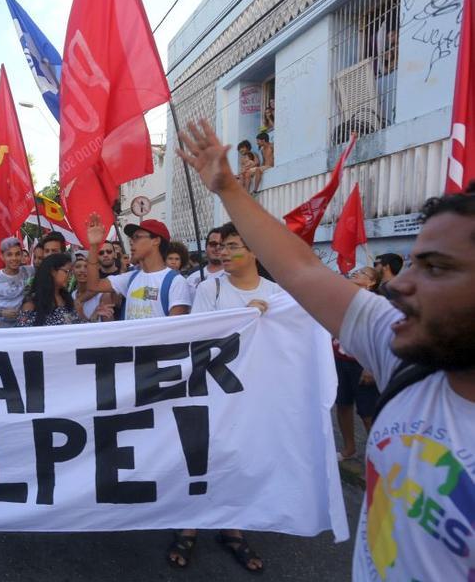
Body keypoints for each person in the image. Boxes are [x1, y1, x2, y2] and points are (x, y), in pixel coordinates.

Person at [176, 119, 475, 581]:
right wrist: (229, 189)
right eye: (412, 261)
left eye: (436, 268)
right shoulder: (403, 351)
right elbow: (302, 269)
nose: (402, 285)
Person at [170, 221, 281, 572]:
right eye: (223, 246)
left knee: (240, 459)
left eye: (235, 246)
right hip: (215, 389)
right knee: (202, 457)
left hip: (258, 393)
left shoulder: (279, 295)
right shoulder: (210, 289)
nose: (225, 252)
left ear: (254, 252)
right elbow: (201, 336)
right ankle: (189, 525)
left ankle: (233, 528)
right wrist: (247, 318)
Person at [85, 218, 192, 319]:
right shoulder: (131, 277)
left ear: (156, 241)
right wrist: (94, 246)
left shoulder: (176, 282)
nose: (131, 242)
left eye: (137, 237)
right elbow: (93, 285)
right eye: (131, 238)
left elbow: (175, 331)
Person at [334, 266, 382, 460]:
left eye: (363, 273)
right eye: (356, 271)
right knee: (343, 404)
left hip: (362, 364)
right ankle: (349, 448)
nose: (356, 273)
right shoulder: (343, 298)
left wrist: (370, 366)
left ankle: (379, 454)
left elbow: (378, 336)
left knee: (367, 411)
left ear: (372, 283)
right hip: (340, 359)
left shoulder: (376, 304)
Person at [16, 253, 84, 326]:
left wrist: (82, 313)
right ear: (53, 272)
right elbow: (24, 334)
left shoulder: (68, 299)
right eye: (67, 271)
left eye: (71, 272)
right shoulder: (32, 303)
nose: (70, 275)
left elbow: (79, 329)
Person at [0, 237, 28, 327]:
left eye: (17, 254)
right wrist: (1, 313)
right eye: (9, 255)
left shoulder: (29, 272)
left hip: (22, 327)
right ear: (2, 256)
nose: (14, 258)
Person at [186, 228, 226, 298]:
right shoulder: (191, 279)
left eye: (222, 244)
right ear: (205, 247)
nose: (217, 247)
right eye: (213, 244)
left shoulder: (235, 277)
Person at [72, 257, 113, 322]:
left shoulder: (104, 295)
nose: (82, 270)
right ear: (72, 271)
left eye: (86, 266)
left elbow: (110, 328)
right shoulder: (72, 295)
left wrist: (81, 315)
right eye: (78, 267)